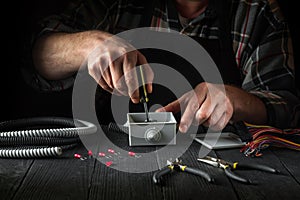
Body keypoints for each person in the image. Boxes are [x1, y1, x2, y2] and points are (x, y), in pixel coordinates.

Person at [23, 0, 300, 133]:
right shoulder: (117, 3)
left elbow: (287, 106)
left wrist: (239, 101)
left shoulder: (257, 11)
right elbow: (36, 58)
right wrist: (88, 45)